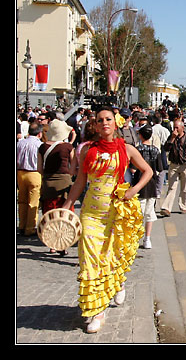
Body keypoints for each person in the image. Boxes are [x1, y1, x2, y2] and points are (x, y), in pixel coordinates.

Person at [61, 105, 153, 334]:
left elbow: (148, 171)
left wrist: (133, 190)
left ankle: (118, 283)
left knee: (111, 258)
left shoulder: (127, 149)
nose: (104, 123)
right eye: (100, 119)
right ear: (95, 124)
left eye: (108, 119)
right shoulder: (87, 150)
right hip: (90, 214)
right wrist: (67, 205)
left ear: (115, 123)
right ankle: (97, 311)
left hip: (115, 213)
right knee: (90, 261)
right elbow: (80, 182)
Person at [37, 119, 76, 255]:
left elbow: (39, 168)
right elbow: (73, 167)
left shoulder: (42, 147)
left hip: (48, 181)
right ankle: (62, 244)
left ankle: (52, 244)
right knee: (64, 213)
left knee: (50, 212)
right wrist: (69, 177)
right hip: (64, 181)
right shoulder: (68, 147)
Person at [133, 124, 163, 249]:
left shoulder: (137, 150)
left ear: (140, 135)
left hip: (138, 183)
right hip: (151, 183)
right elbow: (160, 169)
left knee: (137, 213)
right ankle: (147, 239)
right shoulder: (156, 150)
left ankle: (135, 238)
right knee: (150, 212)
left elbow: (133, 169)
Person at [160, 119, 186, 216]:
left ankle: (184, 206)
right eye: (174, 128)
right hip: (174, 165)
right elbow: (166, 148)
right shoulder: (172, 137)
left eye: (177, 128)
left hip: (185, 165)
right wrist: (172, 138)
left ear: (182, 128)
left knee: (184, 188)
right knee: (172, 187)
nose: (175, 130)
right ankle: (166, 208)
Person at [17, 122, 43, 236]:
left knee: (22, 200)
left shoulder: (20, 143)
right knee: (33, 202)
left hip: (20, 173)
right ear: (40, 134)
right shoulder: (40, 145)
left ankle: (21, 225)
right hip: (34, 173)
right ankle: (30, 227)